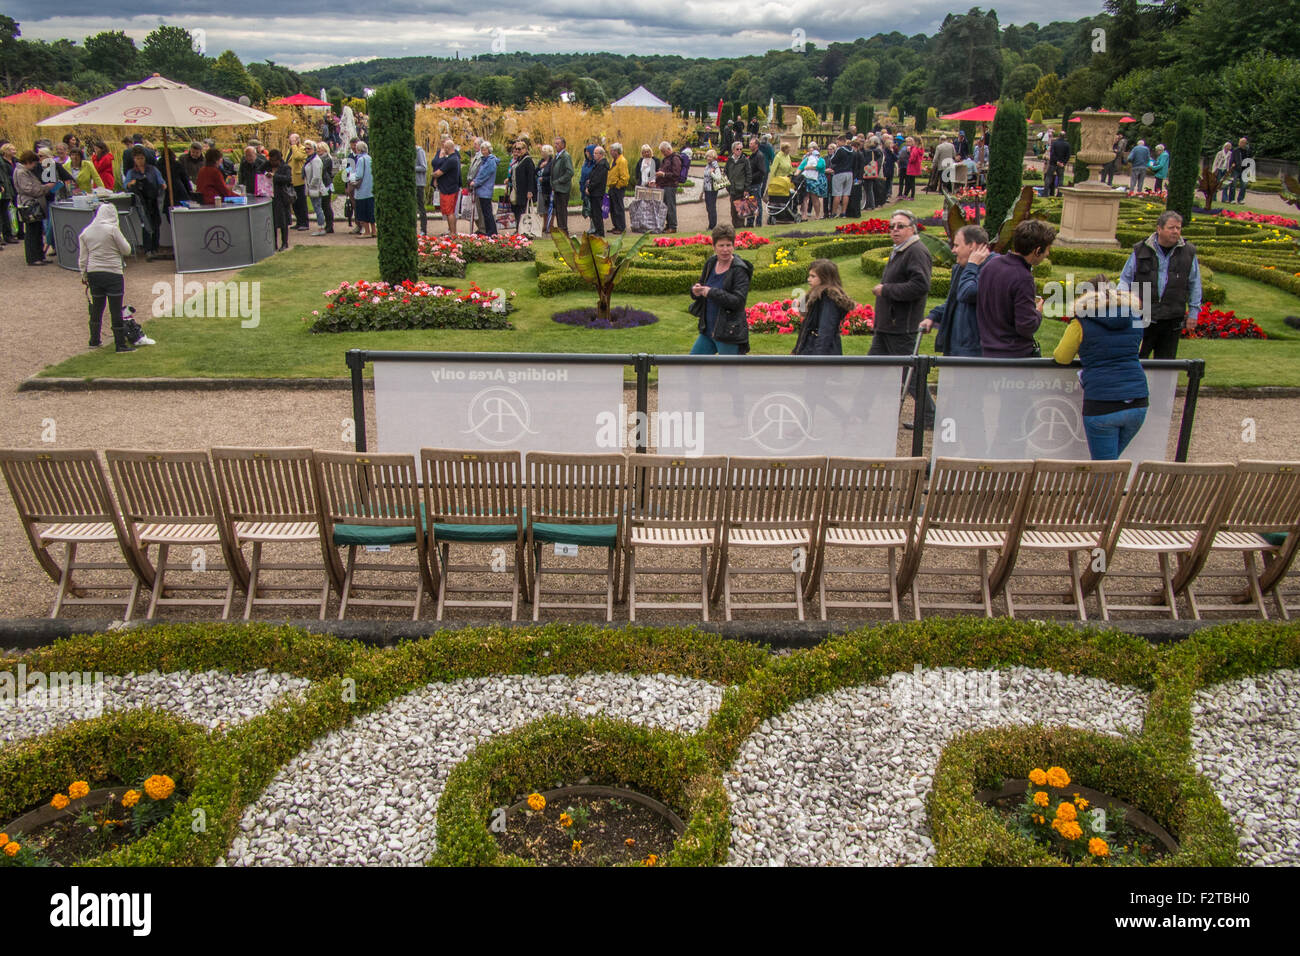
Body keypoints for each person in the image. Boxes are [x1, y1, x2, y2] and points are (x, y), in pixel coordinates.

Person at [1053, 276, 1148, 460]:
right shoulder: (1134, 317)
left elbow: (1062, 357)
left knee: (1105, 470)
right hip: (1138, 401)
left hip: (1102, 403)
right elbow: (1137, 348)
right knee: (1109, 465)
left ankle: (1102, 489)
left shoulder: (1080, 321)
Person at [870, 210, 933, 414]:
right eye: (892, 226)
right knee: (870, 372)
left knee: (911, 378)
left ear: (912, 228)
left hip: (901, 327)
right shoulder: (900, 249)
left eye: (900, 226)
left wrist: (886, 290)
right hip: (888, 326)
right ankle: (858, 413)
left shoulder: (915, 251)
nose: (894, 230)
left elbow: (920, 285)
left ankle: (930, 416)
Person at [1119, 210, 1202, 359]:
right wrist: (1124, 306)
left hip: (1171, 319)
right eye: (1171, 228)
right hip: (1142, 317)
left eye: (1178, 228)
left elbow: (1194, 283)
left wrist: (1194, 312)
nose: (1176, 231)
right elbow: (1125, 280)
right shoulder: (1141, 250)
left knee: (1165, 367)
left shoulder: (1188, 252)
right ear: (1159, 229)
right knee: (1135, 361)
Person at [975, 218, 1056, 358]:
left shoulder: (991, 265)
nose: (1047, 254)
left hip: (987, 351)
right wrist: (1037, 313)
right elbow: (1026, 325)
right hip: (1014, 357)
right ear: (1037, 251)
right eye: (1047, 250)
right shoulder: (1023, 278)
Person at [78, 203, 136, 352]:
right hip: (113, 272)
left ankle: (94, 340)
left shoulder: (86, 232)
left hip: (94, 272)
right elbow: (126, 249)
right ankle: (120, 344)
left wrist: (83, 274)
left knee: (97, 307)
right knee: (115, 308)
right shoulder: (112, 230)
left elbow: (83, 258)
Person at [688, 224, 753, 354]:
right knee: (691, 367)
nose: (725, 250)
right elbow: (702, 285)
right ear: (714, 247)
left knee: (728, 373)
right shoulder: (711, 263)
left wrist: (711, 292)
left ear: (734, 246)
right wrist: (696, 290)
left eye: (729, 245)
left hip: (728, 334)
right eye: (721, 245)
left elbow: (738, 301)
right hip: (708, 332)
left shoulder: (739, 270)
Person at [793, 259, 850, 355]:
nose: (808, 279)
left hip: (822, 352)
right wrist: (796, 350)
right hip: (812, 348)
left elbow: (826, 331)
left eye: (813, 276)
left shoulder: (829, 298)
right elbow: (806, 328)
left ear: (824, 278)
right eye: (809, 275)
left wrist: (819, 359)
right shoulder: (817, 296)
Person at [14, 150, 59, 265]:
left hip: (36, 204)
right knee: (31, 232)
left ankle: (40, 256)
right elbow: (29, 189)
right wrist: (46, 187)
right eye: (34, 163)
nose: (35, 166)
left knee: (38, 231)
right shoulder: (21, 172)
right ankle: (33, 258)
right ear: (28, 161)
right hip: (30, 204)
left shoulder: (25, 171)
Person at [122, 147, 166, 258]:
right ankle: (147, 248)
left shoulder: (153, 169)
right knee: (145, 223)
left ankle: (155, 246)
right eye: (137, 158)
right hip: (141, 201)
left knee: (156, 222)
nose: (140, 160)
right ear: (134, 159)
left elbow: (161, 182)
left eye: (142, 158)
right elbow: (125, 185)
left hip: (154, 198)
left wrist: (162, 185)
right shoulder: (131, 172)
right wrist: (130, 183)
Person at [430, 138, 461, 236]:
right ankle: (453, 232)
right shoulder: (454, 158)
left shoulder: (451, 160)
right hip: (450, 188)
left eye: (445, 148)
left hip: (449, 189)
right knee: (449, 211)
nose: (444, 149)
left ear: (448, 148)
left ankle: (452, 232)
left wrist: (432, 175)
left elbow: (439, 173)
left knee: (449, 212)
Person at [506, 140, 536, 235]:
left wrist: (530, 191)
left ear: (525, 149)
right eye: (516, 149)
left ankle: (525, 230)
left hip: (524, 190)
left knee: (524, 210)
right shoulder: (518, 160)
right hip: (517, 189)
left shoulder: (528, 160)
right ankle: (519, 228)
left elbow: (531, 176)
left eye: (519, 149)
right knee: (517, 209)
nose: (517, 151)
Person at [267, 149, 294, 250]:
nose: (272, 162)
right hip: (271, 196)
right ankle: (274, 243)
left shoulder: (285, 167)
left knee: (283, 221)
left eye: (274, 160)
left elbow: (288, 179)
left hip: (282, 197)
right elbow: (259, 170)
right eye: (271, 160)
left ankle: (284, 242)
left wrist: (275, 176)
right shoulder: (268, 165)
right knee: (272, 221)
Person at [472, 140, 499, 237]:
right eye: (482, 149)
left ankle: (492, 231)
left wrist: (475, 182)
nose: (483, 151)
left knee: (487, 212)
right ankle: (489, 231)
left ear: (489, 150)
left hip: (485, 190)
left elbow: (484, 175)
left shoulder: (490, 161)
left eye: (485, 150)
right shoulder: (485, 160)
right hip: (482, 190)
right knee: (485, 212)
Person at [349, 141, 375, 238]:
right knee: (371, 210)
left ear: (359, 149)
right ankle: (374, 231)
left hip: (362, 189)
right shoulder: (369, 158)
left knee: (362, 211)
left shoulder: (360, 159)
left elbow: (358, 174)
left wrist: (350, 176)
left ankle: (367, 231)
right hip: (370, 189)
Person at [654, 142, 681, 233]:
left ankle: (673, 226)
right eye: (662, 152)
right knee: (665, 206)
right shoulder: (666, 159)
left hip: (671, 185)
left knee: (670, 206)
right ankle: (668, 225)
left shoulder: (675, 158)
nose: (663, 153)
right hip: (664, 185)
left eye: (664, 151)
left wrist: (664, 174)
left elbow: (676, 174)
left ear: (669, 149)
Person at [286, 133, 310, 230]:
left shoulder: (302, 149)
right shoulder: (290, 149)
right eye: (290, 140)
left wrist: (293, 145)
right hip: (291, 179)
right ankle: (299, 221)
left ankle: (304, 222)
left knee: (301, 202)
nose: (291, 142)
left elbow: (297, 157)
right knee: (294, 202)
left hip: (299, 180)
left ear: (297, 140)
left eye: (293, 140)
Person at [550, 137, 574, 235]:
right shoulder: (557, 156)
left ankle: (564, 230)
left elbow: (570, 172)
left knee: (562, 210)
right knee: (558, 210)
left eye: (558, 144)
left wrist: (559, 181)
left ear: (563, 145)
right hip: (557, 188)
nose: (556, 146)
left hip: (563, 188)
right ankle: (561, 229)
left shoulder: (565, 156)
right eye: (555, 144)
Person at [724, 140, 750, 227]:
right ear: (733, 150)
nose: (739, 151)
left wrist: (746, 189)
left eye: (741, 149)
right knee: (733, 212)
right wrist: (728, 186)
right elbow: (725, 173)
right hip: (732, 190)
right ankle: (735, 229)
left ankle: (741, 230)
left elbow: (748, 175)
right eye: (737, 149)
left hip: (741, 190)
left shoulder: (745, 161)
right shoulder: (730, 160)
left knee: (741, 213)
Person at [797, 143, 826, 219]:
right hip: (806, 179)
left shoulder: (821, 159)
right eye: (809, 150)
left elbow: (819, 167)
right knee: (805, 197)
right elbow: (801, 167)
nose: (811, 152)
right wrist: (796, 174)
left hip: (815, 180)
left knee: (814, 198)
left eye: (812, 150)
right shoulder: (807, 159)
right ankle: (804, 215)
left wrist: (809, 167)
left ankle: (817, 215)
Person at [586, 145, 609, 237]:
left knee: (597, 213)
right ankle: (596, 229)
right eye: (594, 153)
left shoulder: (602, 165)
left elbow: (597, 180)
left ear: (601, 154)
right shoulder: (597, 164)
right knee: (594, 213)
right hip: (594, 192)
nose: (594, 155)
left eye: (596, 153)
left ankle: (600, 231)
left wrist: (590, 187)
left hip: (597, 192)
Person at [828, 134, 854, 218]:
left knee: (837, 193)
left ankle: (834, 213)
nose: (837, 143)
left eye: (838, 141)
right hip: (849, 172)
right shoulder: (852, 150)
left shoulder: (840, 150)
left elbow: (833, 160)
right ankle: (843, 212)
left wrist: (834, 153)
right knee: (846, 193)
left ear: (842, 141)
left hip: (839, 172)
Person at [314, 141, 336, 234]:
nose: (318, 149)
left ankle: (330, 225)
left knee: (326, 205)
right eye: (317, 147)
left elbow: (322, 170)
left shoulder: (327, 159)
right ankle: (328, 224)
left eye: (320, 147)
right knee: (323, 205)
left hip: (326, 184)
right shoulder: (319, 158)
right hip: (323, 183)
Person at [745, 135, 767, 228]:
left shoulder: (759, 156)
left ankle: (758, 223)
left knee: (757, 204)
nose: (750, 145)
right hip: (751, 183)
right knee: (750, 203)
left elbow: (762, 171)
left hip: (755, 184)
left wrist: (751, 177)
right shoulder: (752, 156)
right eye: (749, 143)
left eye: (751, 144)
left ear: (756, 145)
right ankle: (750, 223)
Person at [0, 141, 18, 245]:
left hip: (7, 189)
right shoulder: (2, 161)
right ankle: (6, 235)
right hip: (3, 188)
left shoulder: (15, 161)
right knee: (3, 214)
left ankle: (7, 235)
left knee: (5, 213)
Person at [701, 148, 723, 230]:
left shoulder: (715, 166)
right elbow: (704, 179)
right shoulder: (708, 165)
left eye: (709, 157)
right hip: (707, 189)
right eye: (707, 157)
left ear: (713, 157)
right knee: (709, 208)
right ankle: (711, 224)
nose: (708, 158)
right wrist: (702, 191)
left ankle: (713, 226)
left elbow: (718, 178)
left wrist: (712, 173)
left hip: (712, 190)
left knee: (712, 208)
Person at [1045, 129, 1071, 197]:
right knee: (1060, 178)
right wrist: (1063, 163)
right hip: (1061, 164)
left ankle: (1045, 193)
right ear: (1064, 136)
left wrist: (1057, 161)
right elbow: (1068, 155)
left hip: (1053, 163)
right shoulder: (1067, 144)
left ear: (1059, 136)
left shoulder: (1054, 143)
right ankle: (1059, 194)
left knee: (1048, 177)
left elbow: (1052, 154)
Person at [1226, 137, 1251, 204]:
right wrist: (1231, 166)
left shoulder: (1247, 151)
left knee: (1244, 185)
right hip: (1236, 169)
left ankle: (1241, 199)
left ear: (1245, 143)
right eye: (1241, 142)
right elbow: (1231, 160)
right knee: (1233, 184)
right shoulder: (1235, 150)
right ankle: (1231, 199)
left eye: (1243, 143)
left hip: (1244, 170)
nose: (1242, 144)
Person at [536, 143, 553, 233]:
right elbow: (535, 171)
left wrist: (544, 179)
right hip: (540, 187)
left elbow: (552, 176)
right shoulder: (541, 161)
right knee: (542, 208)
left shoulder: (551, 163)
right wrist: (540, 167)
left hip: (547, 187)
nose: (541, 153)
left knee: (548, 207)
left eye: (543, 151)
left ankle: (550, 225)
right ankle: (544, 225)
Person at [414, 140, 428, 235]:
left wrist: (412, 168)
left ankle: (423, 229)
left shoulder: (420, 151)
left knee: (421, 206)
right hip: (413, 183)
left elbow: (424, 167)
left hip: (419, 183)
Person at [579, 144, 596, 221]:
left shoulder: (595, 163)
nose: (586, 153)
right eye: (585, 152)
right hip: (584, 187)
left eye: (588, 152)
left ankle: (595, 226)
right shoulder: (586, 163)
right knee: (587, 207)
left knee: (593, 208)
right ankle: (592, 225)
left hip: (591, 188)